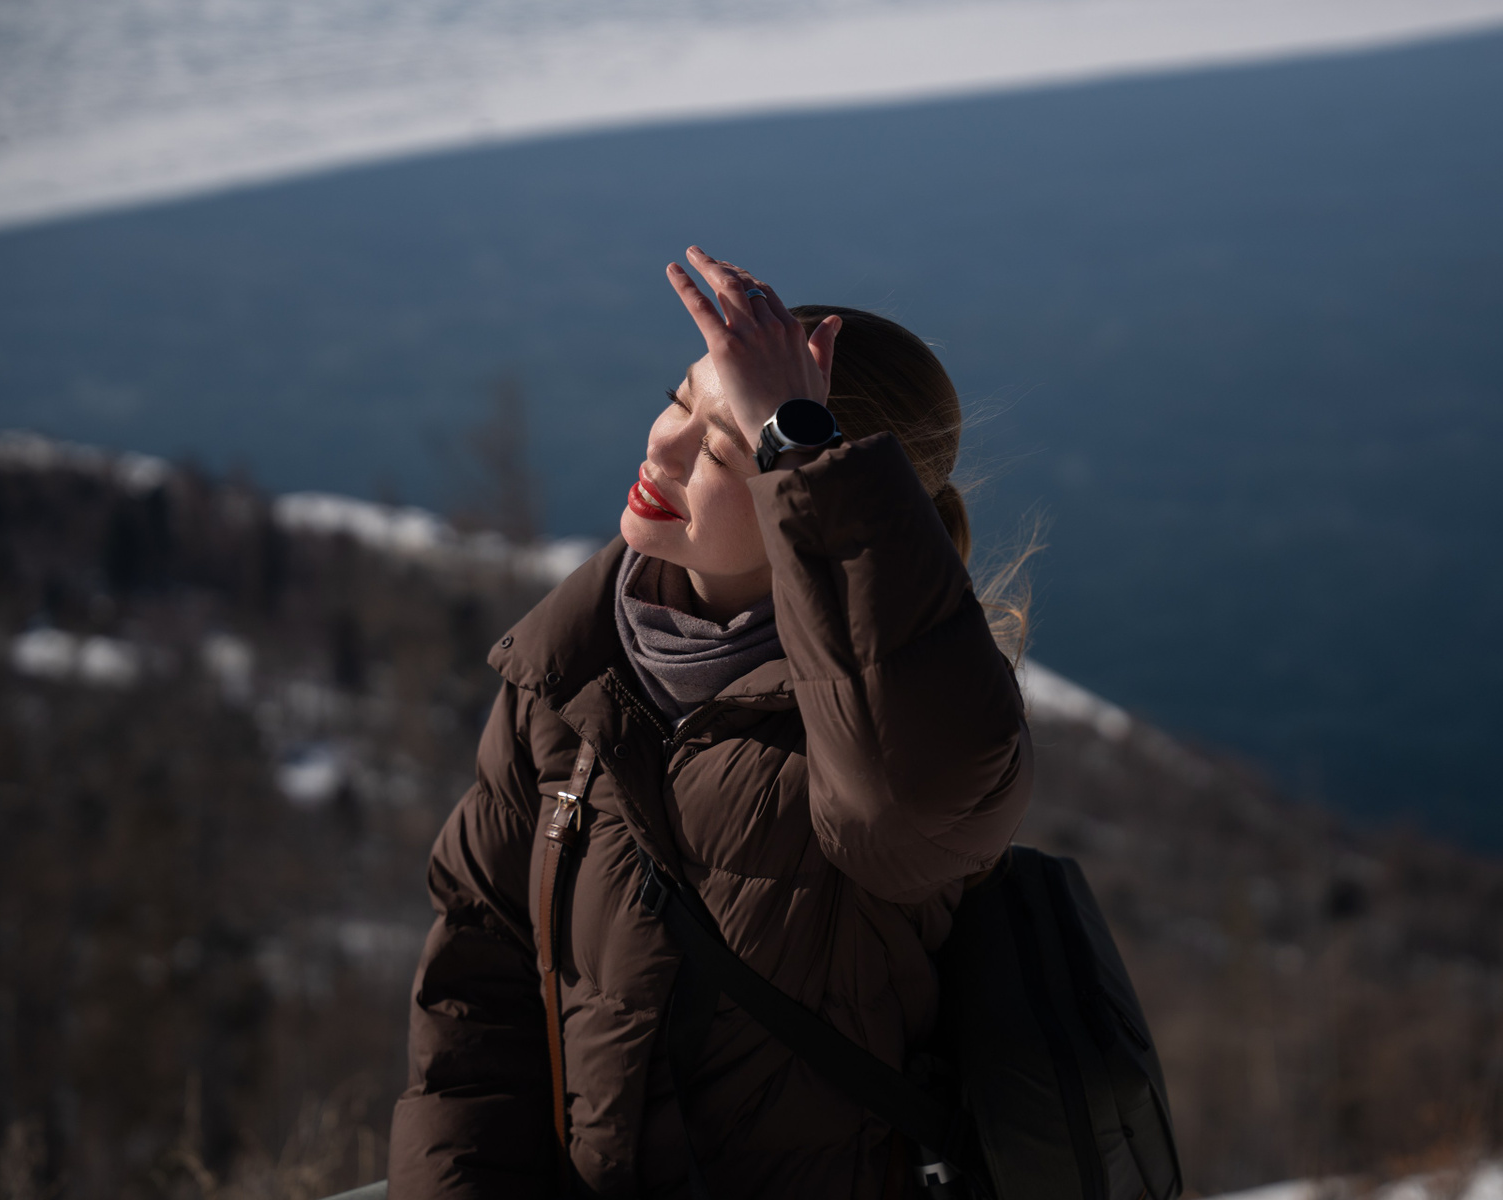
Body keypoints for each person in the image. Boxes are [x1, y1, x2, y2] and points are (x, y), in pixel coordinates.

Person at [386, 247, 1033, 1199]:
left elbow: (907, 793)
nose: (663, 450)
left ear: (802, 493)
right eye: (677, 401)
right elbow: (479, 973)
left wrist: (799, 438)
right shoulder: (567, 670)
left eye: (725, 448)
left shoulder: (886, 738)